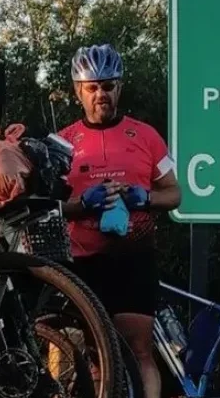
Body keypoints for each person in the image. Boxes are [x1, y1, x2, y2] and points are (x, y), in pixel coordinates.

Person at [58, 44, 182, 398]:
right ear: (78, 91)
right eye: (92, 87)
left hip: (133, 257)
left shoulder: (146, 136)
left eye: (108, 86)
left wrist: (144, 198)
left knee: (138, 350)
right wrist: (83, 204)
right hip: (81, 261)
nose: (101, 94)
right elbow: (50, 206)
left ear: (119, 88)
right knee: (85, 354)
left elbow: (175, 194)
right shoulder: (64, 142)